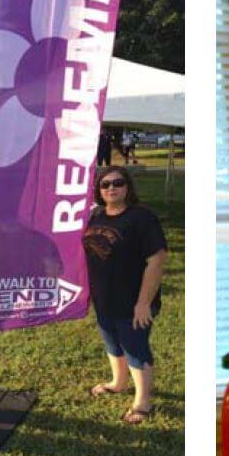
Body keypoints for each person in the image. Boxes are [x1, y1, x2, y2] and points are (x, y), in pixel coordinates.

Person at [84, 166, 168, 424]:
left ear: (128, 186)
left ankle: (143, 401)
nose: (111, 188)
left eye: (117, 183)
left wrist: (143, 303)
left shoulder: (142, 218)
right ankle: (118, 382)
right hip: (104, 298)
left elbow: (157, 259)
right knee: (112, 342)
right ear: (98, 190)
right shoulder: (96, 215)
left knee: (134, 347)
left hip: (133, 301)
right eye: (105, 184)